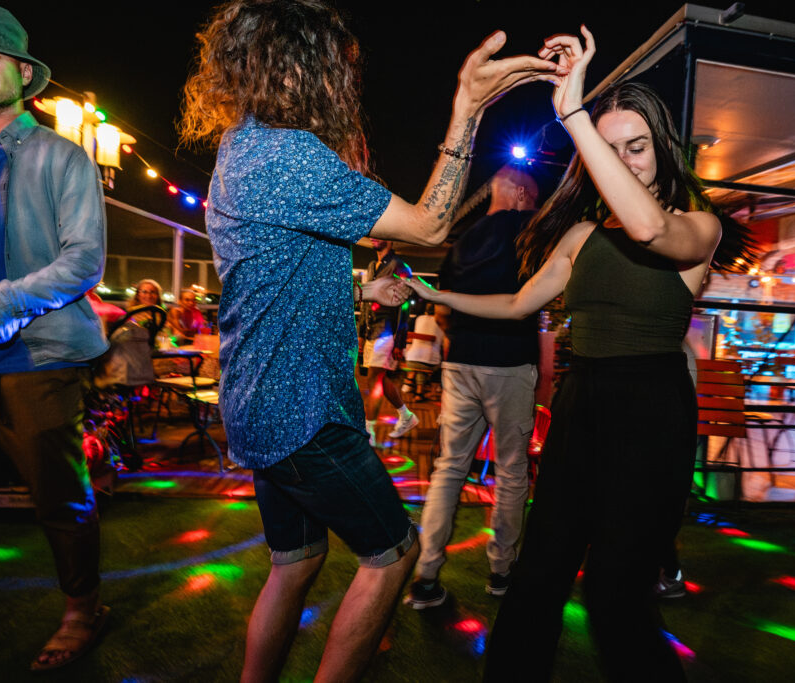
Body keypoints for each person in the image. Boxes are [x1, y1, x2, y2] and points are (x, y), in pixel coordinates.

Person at [178, 2, 561, 681]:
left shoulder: (243, 145)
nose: (343, 84)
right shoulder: (287, 154)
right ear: (297, 69)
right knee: (392, 553)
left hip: (257, 401)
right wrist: (468, 109)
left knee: (297, 561)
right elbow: (431, 225)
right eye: (333, 67)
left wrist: (361, 292)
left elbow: (272, 271)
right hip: (301, 411)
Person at [406, 27, 750, 681]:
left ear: (663, 149)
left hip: (651, 408)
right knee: (538, 575)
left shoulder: (696, 226)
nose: (624, 162)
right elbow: (517, 304)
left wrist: (574, 113)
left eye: (636, 147)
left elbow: (648, 226)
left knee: (615, 595)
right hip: (580, 401)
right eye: (609, 150)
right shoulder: (584, 234)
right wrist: (433, 292)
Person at [0, 0, 110, 671]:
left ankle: (82, 611)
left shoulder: (61, 157)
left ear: (23, 72)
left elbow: (84, 261)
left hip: (36, 361)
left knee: (61, 503)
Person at [405, 164, 541, 609]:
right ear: (520, 194)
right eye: (533, 197)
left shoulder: (462, 240)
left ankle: (426, 576)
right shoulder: (530, 231)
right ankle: (502, 571)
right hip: (510, 362)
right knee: (511, 471)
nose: (535, 205)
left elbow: (443, 312)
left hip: (460, 361)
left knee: (449, 467)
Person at [358, 238, 417, 443]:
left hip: (387, 331)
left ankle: (369, 432)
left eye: (380, 234)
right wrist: (361, 332)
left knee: (374, 379)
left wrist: (400, 341)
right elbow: (365, 301)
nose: (373, 237)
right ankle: (406, 416)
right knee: (379, 379)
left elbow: (405, 307)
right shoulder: (371, 266)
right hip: (371, 330)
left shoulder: (400, 267)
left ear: (390, 238)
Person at [401, 302, 444, 401]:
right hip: (430, 362)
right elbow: (442, 342)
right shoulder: (441, 322)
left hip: (411, 360)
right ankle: (434, 391)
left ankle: (418, 392)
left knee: (421, 366)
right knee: (438, 364)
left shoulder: (419, 319)